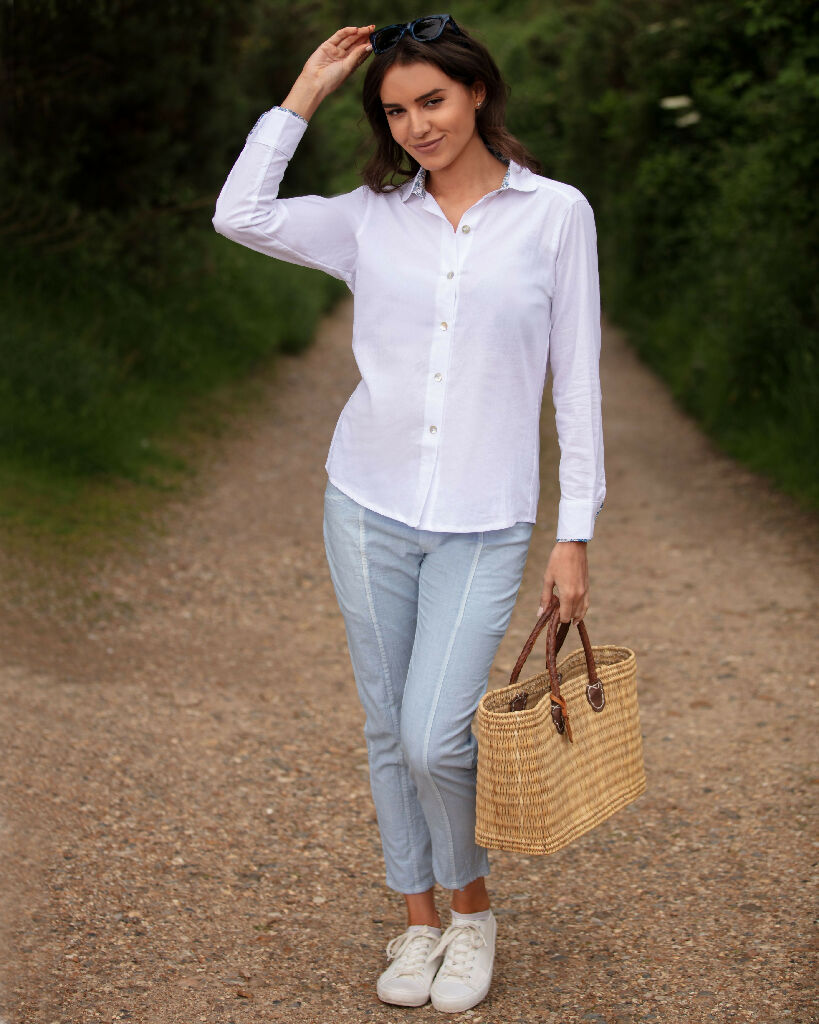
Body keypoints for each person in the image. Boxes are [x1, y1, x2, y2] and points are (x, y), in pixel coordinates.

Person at [212, 14, 605, 1014]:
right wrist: (305, 90)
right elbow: (240, 213)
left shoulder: (557, 214)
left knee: (438, 735)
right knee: (388, 727)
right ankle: (418, 918)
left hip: (487, 518)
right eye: (396, 109)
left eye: (433, 99)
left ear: (478, 92)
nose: (417, 124)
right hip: (366, 502)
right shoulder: (367, 214)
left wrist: (577, 531)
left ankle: (472, 913)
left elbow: (579, 387)